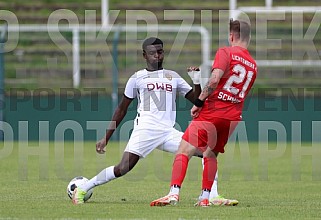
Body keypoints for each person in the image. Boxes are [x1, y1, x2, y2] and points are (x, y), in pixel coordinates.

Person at [72, 37, 232, 205]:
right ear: (144, 55)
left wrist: (197, 80)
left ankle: (211, 195)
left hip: (168, 132)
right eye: (152, 53)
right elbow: (121, 109)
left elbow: (198, 101)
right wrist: (106, 137)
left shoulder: (173, 77)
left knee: (207, 152)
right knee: (123, 168)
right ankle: (83, 188)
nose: (157, 55)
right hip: (145, 130)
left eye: (160, 52)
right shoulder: (137, 78)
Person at [150, 19, 257, 207]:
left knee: (184, 150)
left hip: (213, 111)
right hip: (233, 117)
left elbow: (215, 79)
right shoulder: (253, 65)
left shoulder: (226, 52)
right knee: (210, 154)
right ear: (248, 38)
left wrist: (199, 102)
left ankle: (173, 194)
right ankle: (205, 198)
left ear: (231, 36)